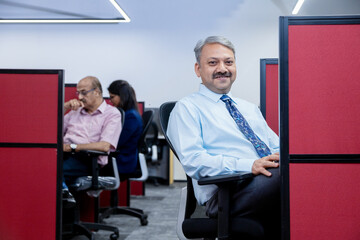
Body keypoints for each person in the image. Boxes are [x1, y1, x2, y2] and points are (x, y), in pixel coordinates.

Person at [167, 36, 280, 238]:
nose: (222, 68)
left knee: (299, 168)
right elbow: (195, 161)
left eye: (228, 62)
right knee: (287, 175)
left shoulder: (248, 108)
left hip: (262, 182)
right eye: (213, 62)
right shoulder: (187, 108)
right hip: (227, 194)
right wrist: (250, 164)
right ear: (197, 69)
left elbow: (275, 145)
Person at [62, 76, 122, 206]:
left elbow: (104, 146)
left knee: (55, 169)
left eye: (84, 92)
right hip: (64, 154)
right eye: (78, 93)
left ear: (97, 92)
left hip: (87, 159)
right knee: (43, 165)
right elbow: (52, 127)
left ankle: (63, 197)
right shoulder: (74, 112)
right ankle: (64, 194)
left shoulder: (112, 114)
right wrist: (65, 106)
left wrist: (72, 147)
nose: (79, 97)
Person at [108, 80, 143, 174]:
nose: (110, 101)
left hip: (122, 162)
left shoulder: (131, 117)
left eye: (112, 97)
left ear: (122, 96)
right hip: (120, 159)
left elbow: (117, 142)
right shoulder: (129, 114)